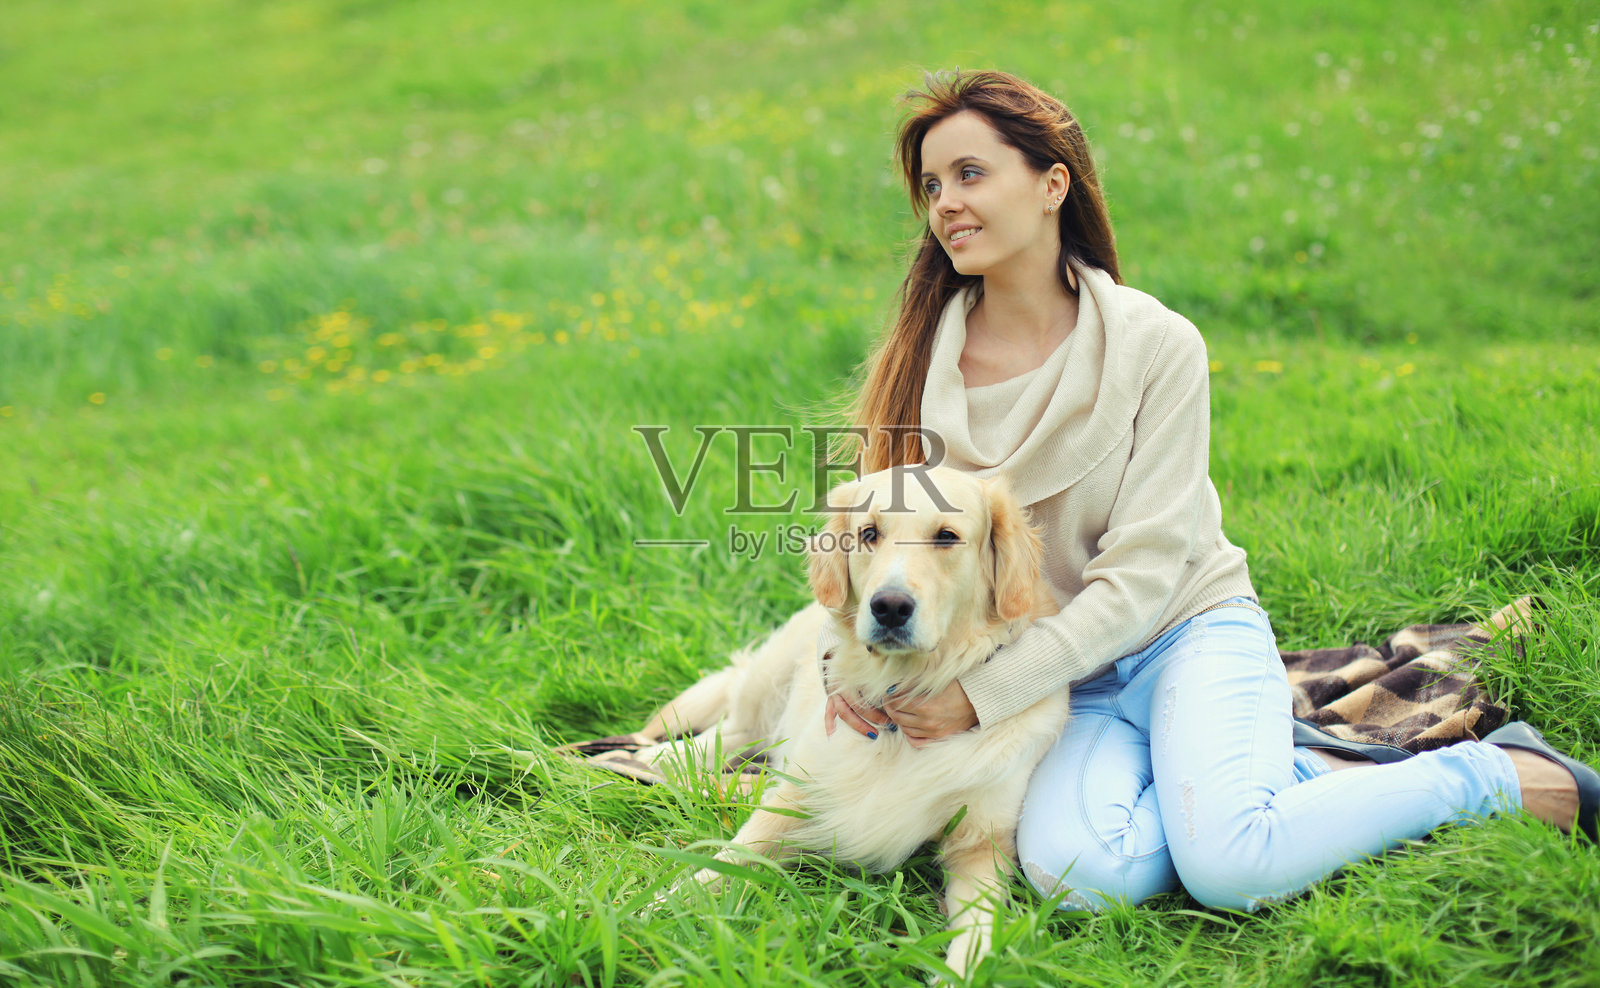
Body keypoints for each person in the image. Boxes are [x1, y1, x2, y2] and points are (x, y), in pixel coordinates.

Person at [822, 69, 1597, 912]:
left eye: (970, 174)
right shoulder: (916, 361)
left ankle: (1492, 776)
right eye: (932, 185)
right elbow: (876, 551)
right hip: (1058, 682)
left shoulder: (1157, 346)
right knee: (1080, 881)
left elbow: (1145, 576)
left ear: (1053, 185)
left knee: (1231, 867)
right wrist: (844, 662)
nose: (944, 204)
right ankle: (1278, 775)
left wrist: (978, 696)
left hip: (1182, 633)